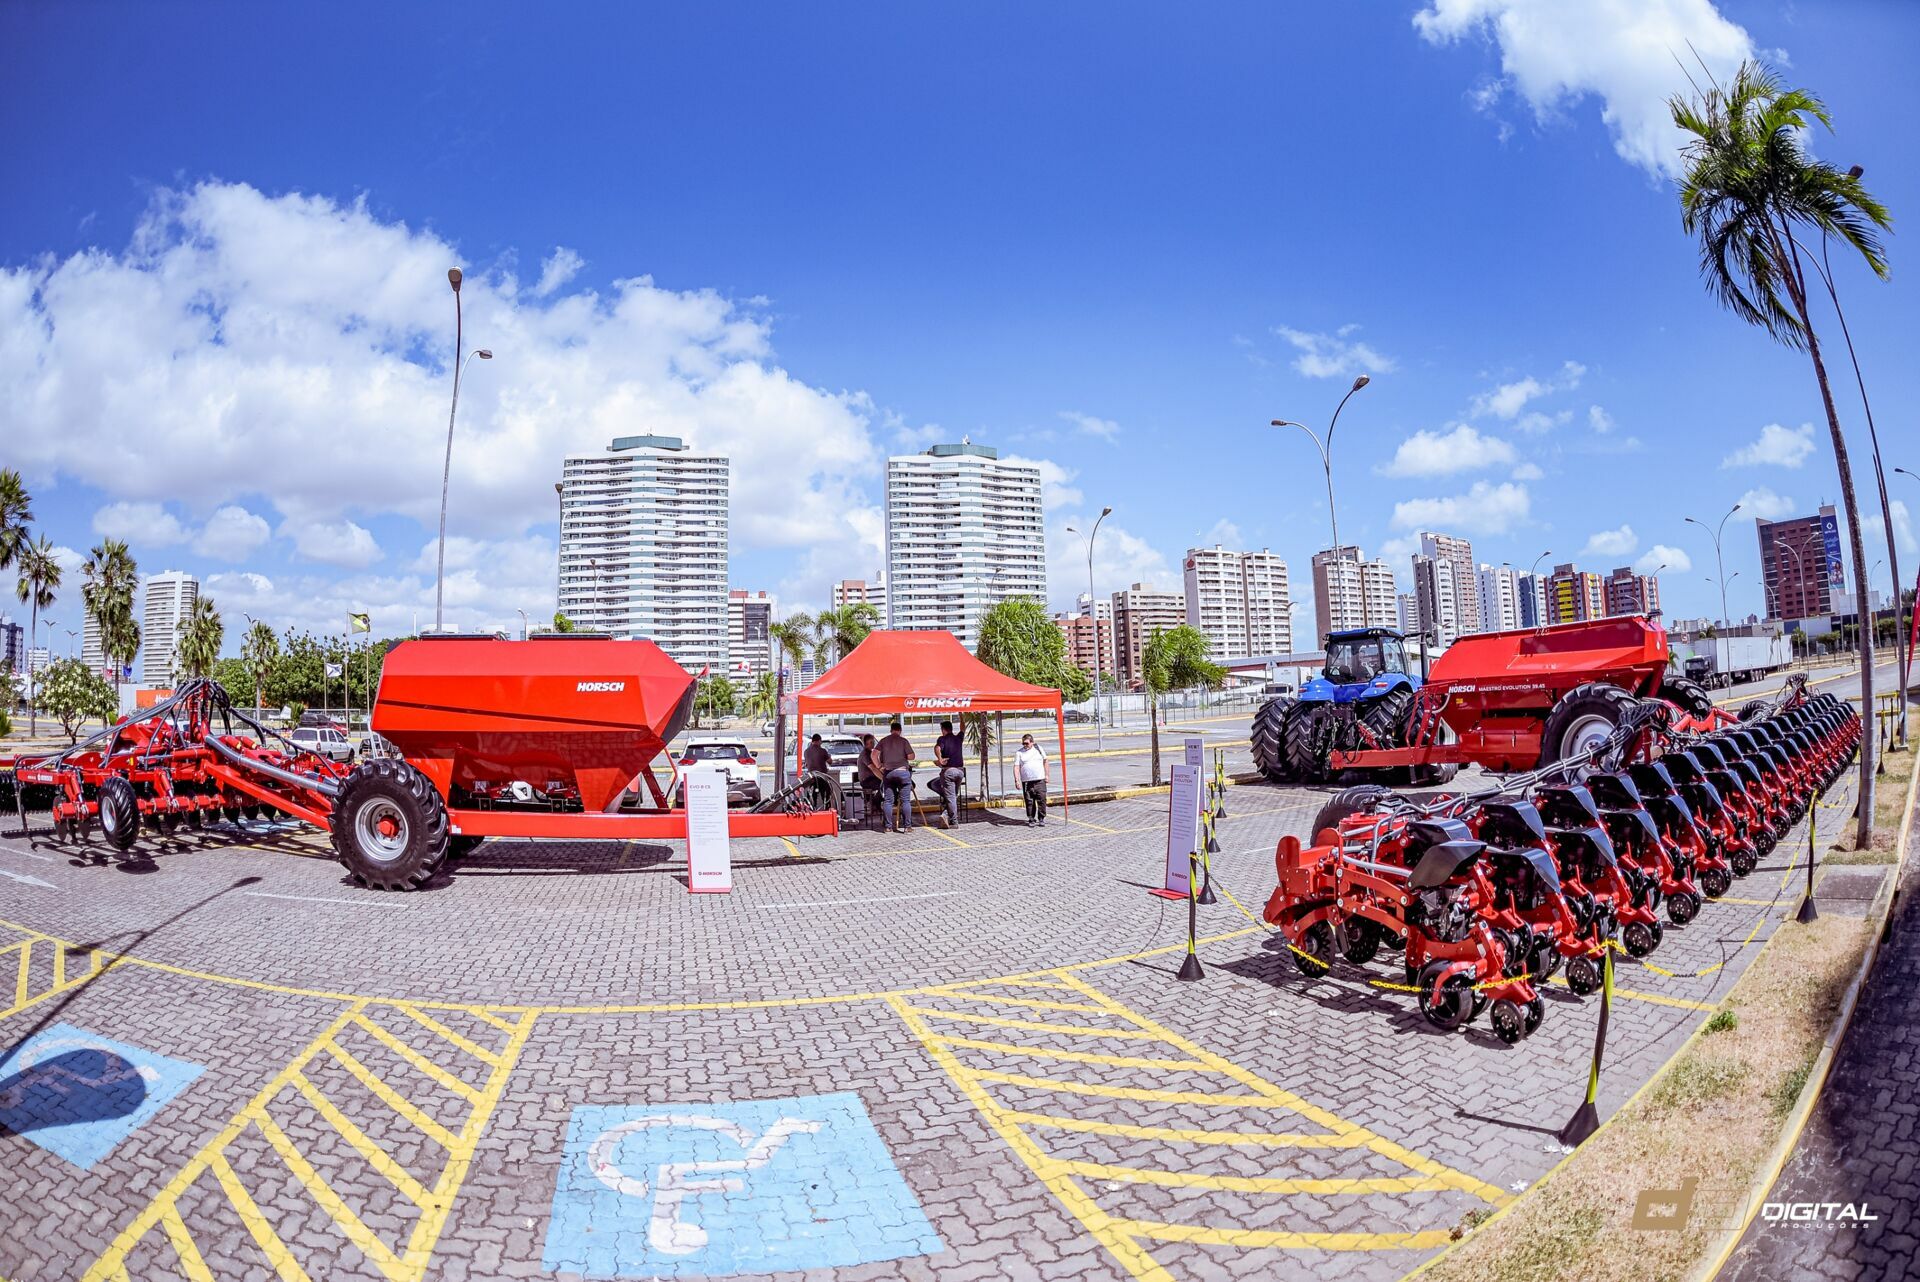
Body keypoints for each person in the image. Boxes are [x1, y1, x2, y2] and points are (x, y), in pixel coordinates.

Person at [875, 719, 916, 832]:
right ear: (900, 730)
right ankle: (907, 827)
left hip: (889, 773)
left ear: (891, 730)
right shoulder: (903, 741)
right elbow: (912, 756)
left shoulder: (883, 741)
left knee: (888, 801)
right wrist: (904, 756)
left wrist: (878, 765)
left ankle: (888, 827)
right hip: (903, 772)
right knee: (905, 801)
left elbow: (874, 753)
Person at [931, 719, 967, 829]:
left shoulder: (942, 739)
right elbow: (963, 729)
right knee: (953, 796)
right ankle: (946, 814)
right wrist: (961, 718)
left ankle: (953, 821)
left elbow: (937, 748)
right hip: (960, 771)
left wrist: (940, 759)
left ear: (943, 729)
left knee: (950, 796)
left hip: (948, 771)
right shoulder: (958, 738)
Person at [1016, 732, 1049, 827]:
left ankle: (1041, 818)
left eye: (1026, 743)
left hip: (1040, 780)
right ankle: (1031, 818)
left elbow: (1045, 761)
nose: (1025, 745)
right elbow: (1016, 767)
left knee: (1042, 800)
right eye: (1023, 743)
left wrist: (1047, 775)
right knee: (1029, 801)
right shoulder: (1019, 753)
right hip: (1027, 782)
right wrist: (1017, 780)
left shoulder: (1039, 749)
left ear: (1032, 742)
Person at [857, 732, 885, 829]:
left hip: (872, 778)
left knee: (885, 785)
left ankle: (875, 802)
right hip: (866, 780)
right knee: (885, 785)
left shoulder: (871, 753)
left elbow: (878, 766)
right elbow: (873, 768)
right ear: (866, 744)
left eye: (873, 742)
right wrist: (883, 778)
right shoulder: (865, 754)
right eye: (871, 742)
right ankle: (874, 802)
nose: (873, 744)